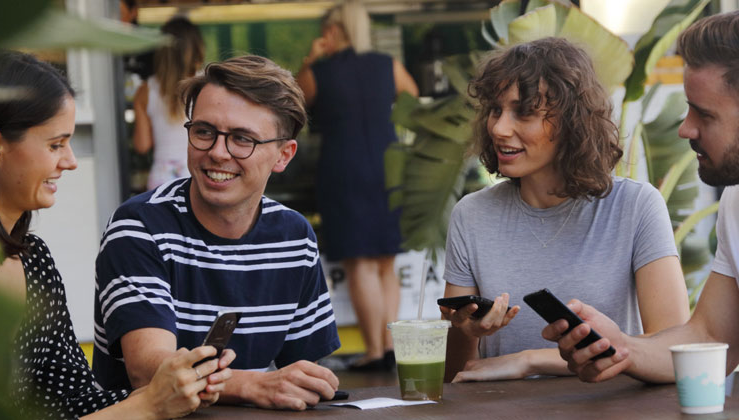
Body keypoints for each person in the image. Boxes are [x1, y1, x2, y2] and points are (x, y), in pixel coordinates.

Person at [0, 50, 234, 419]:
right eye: (55, 144)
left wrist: (171, 388)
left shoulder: (32, 259)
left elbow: (73, 400)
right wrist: (147, 405)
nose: (70, 161)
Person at [91, 55, 342, 411]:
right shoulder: (139, 226)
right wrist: (255, 384)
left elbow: (299, 371)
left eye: (242, 139)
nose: (217, 153)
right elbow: (149, 372)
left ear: (284, 155)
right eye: (204, 132)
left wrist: (304, 384)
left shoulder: (294, 237)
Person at [440, 37, 690, 383]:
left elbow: (671, 350)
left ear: (572, 121)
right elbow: (457, 375)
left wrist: (530, 360)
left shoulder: (636, 206)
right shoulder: (472, 215)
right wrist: (466, 333)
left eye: (523, 112)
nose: (499, 128)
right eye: (496, 110)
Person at [543, 11, 739, 384]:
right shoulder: (736, 202)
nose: (685, 128)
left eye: (704, 114)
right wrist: (620, 347)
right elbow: (711, 337)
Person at [296, 1, 419, 371]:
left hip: (344, 167)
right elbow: (413, 103)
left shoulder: (319, 71)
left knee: (360, 263)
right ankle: (389, 346)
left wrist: (308, 60)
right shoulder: (388, 65)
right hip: (388, 164)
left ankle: (374, 351)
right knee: (385, 263)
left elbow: (291, 104)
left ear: (333, 31)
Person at [133, 17, 205, 189]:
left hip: (162, 178)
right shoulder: (206, 85)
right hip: (197, 174)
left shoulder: (145, 90)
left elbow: (142, 146)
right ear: (197, 48)